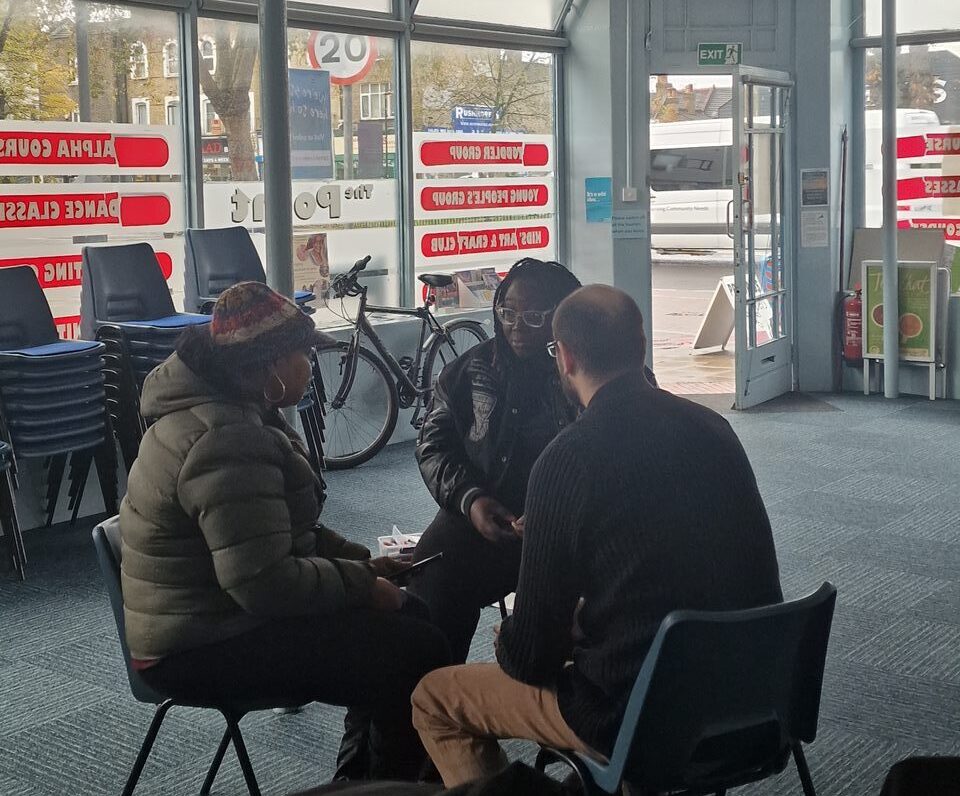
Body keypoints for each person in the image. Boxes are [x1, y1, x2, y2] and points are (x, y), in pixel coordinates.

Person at [412, 285, 782, 786]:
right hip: (756, 698)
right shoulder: (713, 428)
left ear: (562, 357)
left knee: (435, 699)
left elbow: (530, 658)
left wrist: (510, 641)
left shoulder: (568, 461)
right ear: (643, 346)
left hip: (639, 717)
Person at [119, 282, 449, 781]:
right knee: (412, 650)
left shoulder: (235, 410)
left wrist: (362, 567)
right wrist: (361, 585)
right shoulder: (226, 438)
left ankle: (365, 780)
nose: (311, 364)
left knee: (412, 623)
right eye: (303, 353)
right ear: (270, 363)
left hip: (214, 615)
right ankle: (384, 786)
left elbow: (284, 533)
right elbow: (263, 582)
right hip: (195, 644)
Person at [408, 258, 583, 664]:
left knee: (556, 625)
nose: (517, 326)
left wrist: (555, 518)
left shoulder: (592, 370)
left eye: (536, 316)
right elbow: (434, 444)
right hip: (483, 515)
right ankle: (430, 704)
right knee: (430, 583)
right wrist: (471, 501)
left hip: (571, 530)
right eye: (508, 312)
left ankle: (554, 701)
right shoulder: (468, 371)